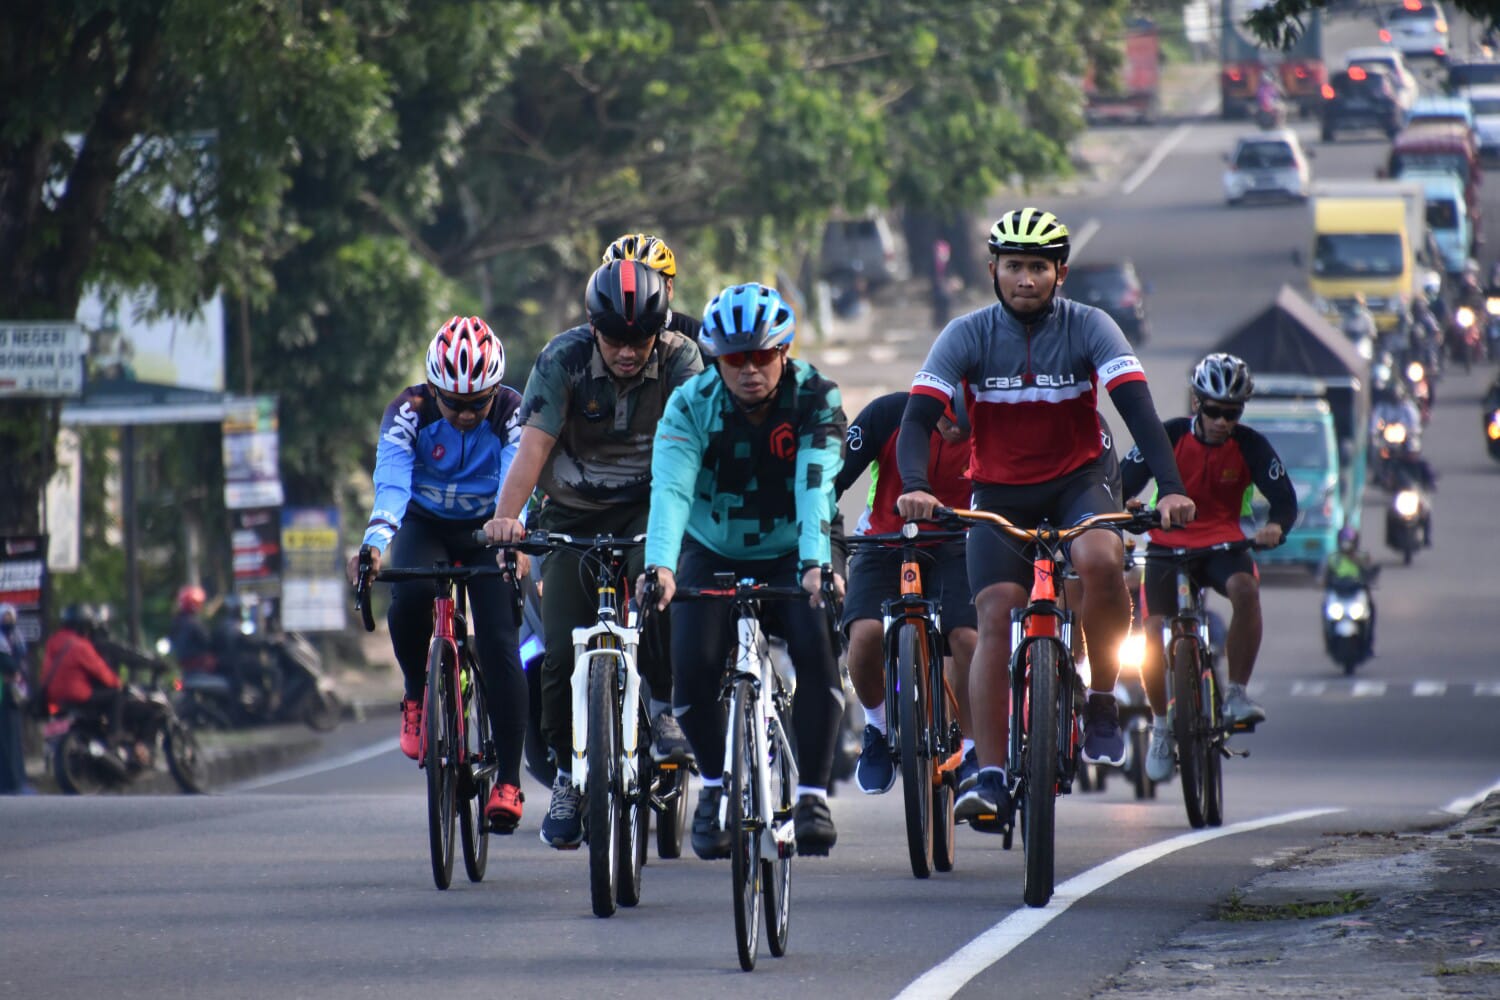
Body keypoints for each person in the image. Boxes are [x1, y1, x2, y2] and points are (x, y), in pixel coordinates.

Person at [894, 206, 1196, 828]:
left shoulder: (1091, 327)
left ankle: (1105, 698)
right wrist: (918, 487)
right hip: (998, 491)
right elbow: (916, 419)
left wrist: (1170, 488)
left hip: (1078, 482)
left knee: (1100, 561)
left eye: (1038, 267)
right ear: (993, 271)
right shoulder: (966, 334)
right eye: (1013, 267)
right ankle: (994, 774)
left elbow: (1138, 409)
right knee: (992, 614)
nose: (1025, 279)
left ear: (1060, 273)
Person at [482, 259, 704, 850]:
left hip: (651, 510)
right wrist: (507, 521)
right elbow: (532, 449)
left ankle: (663, 707)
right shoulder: (561, 359)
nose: (628, 353)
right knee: (557, 653)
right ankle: (566, 775)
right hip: (571, 516)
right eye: (615, 340)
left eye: (640, 339)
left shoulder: (683, 358)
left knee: (659, 594)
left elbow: (693, 447)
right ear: (591, 327)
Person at [640, 281, 847, 858]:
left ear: (784, 351)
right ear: (717, 359)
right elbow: (672, 492)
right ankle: (712, 786)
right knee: (693, 664)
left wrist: (813, 565)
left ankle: (810, 794)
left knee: (815, 644)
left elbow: (814, 487)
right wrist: (660, 566)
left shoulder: (816, 397)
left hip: (794, 546)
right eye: (736, 359)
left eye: (763, 356)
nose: (751, 370)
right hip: (712, 548)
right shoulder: (689, 404)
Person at [346, 316, 529, 833]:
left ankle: (509, 781)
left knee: (498, 642)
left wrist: (514, 537)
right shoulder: (409, 411)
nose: (467, 414)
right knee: (411, 596)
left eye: (479, 402)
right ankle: (414, 692)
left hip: (488, 526)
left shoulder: (514, 412)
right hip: (424, 522)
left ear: (496, 390)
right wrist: (375, 543)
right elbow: (391, 485)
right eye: (455, 403)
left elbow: (520, 481)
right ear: (433, 390)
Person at [1121, 354, 1297, 783]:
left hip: (1223, 542)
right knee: (1150, 631)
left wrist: (1275, 526)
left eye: (1232, 412)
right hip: (1166, 543)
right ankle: (1161, 726)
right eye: (1214, 410)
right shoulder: (1168, 436)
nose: (1222, 421)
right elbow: (1121, 481)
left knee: (1245, 590)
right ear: (1197, 404)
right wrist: (1126, 508)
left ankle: (1235, 693)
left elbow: (1285, 500)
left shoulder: (1252, 445)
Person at [834, 390, 979, 795]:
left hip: (957, 545)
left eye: (963, 430)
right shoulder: (888, 413)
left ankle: (971, 750)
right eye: (948, 423)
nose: (954, 434)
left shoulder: (990, 427)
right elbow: (833, 478)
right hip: (884, 539)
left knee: (967, 638)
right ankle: (877, 729)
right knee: (863, 636)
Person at [38, 605, 130, 754]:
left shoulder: (53, 642)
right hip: (77, 694)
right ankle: (115, 735)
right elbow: (100, 670)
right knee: (116, 695)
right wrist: (117, 683)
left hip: (53, 695)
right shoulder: (80, 645)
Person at [601, 233, 703, 340]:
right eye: (620, 284)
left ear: (668, 288)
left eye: (647, 284)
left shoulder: (695, 334)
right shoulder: (590, 338)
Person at [0, 603, 29, 793]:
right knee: (5, 741)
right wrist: (13, 670)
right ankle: (8, 783)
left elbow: (21, 662)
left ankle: (19, 782)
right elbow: (8, 664)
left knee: (16, 739)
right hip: (3, 696)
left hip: (15, 695)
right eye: (5, 617)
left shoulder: (17, 639)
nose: (8, 620)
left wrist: (17, 672)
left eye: (11, 617)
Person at [169, 585, 216, 674]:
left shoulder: (177, 621)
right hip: (198, 666)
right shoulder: (194, 623)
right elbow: (207, 641)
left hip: (183, 665)